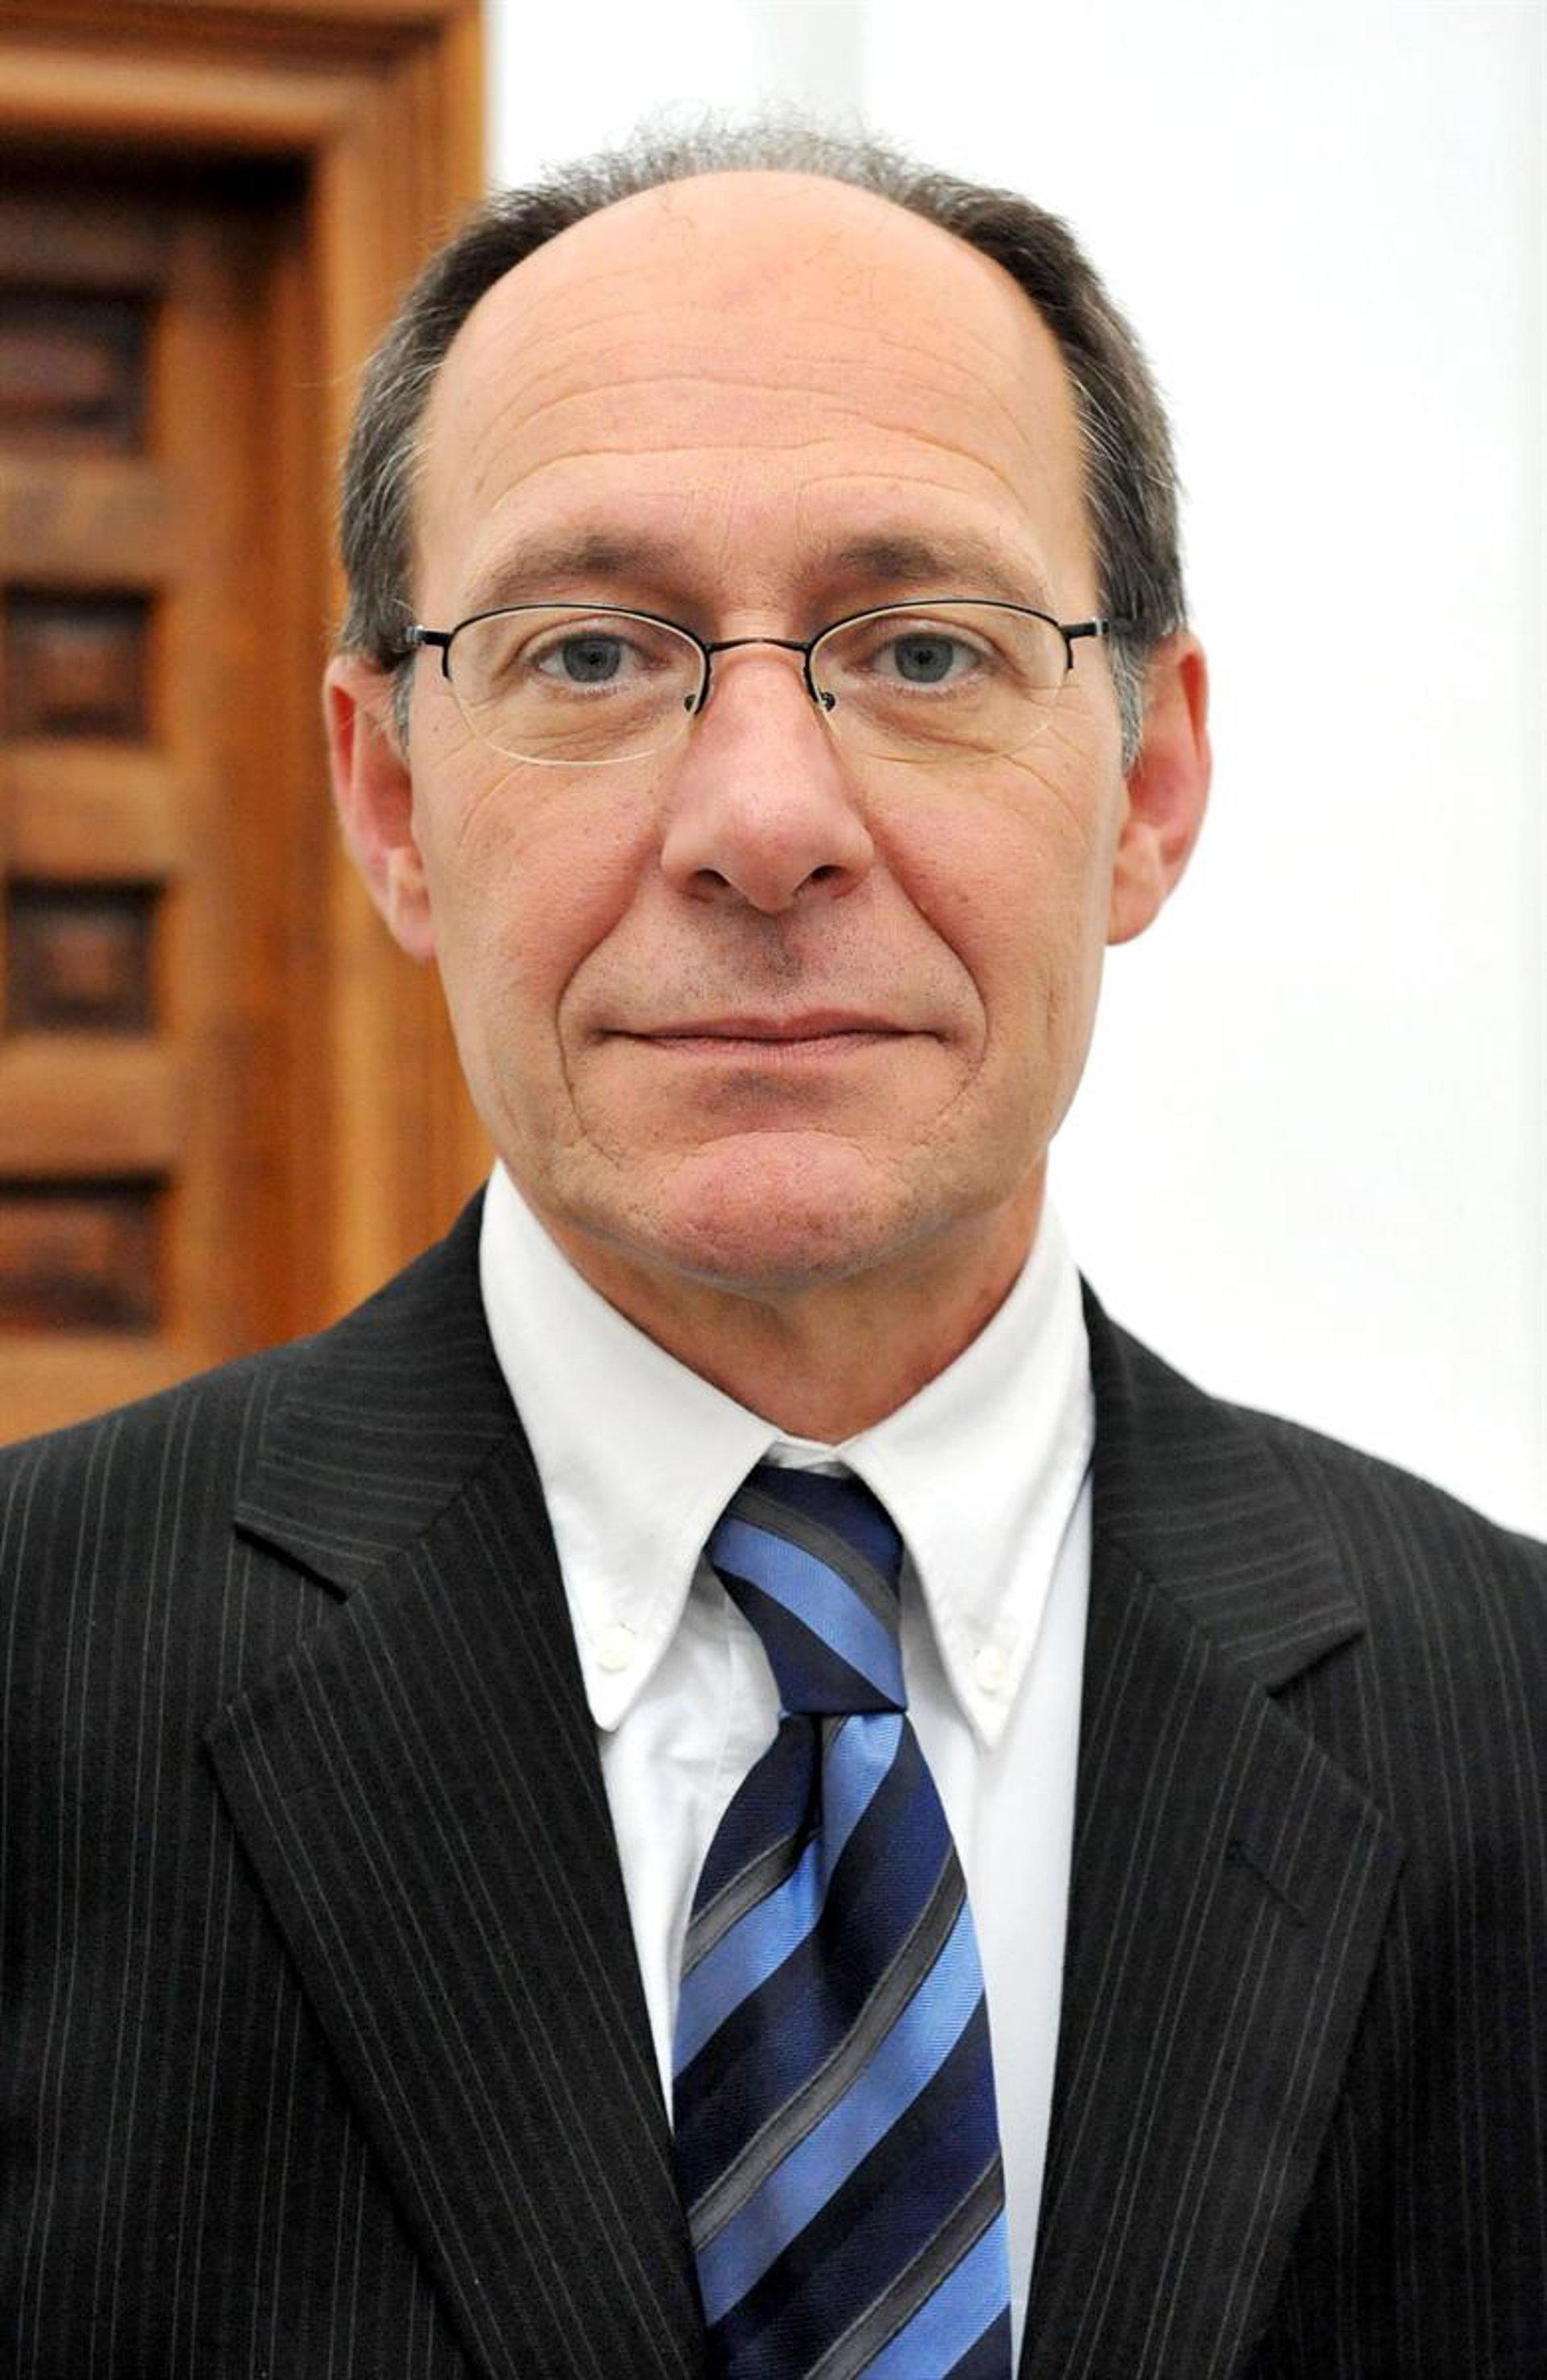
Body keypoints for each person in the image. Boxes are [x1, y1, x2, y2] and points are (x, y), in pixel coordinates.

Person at [1, 122, 1542, 2380]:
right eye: (589, 652)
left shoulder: (1514, 1729)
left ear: (1146, 784)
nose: (762, 820)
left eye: (921, 646)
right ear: (392, 795)